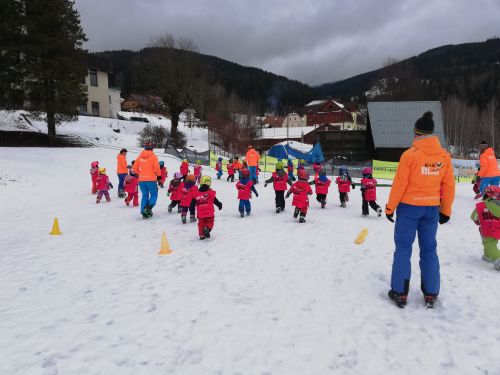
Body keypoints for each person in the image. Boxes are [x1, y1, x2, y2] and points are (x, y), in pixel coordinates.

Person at [386, 111, 455, 308]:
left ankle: (400, 291)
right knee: (429, 249)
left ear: (416, 133)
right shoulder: (444, 156)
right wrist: (446, 210)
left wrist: (390, 207)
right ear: (432, 134)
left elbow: (400, 184)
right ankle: (431, 292)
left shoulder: (410, 155)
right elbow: (449, 185)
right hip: (431, 209)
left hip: (409, 208)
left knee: (403, 248)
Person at [470, 186, 500, 271]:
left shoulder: (481, 205)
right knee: (491, 242)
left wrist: (477, 221)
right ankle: (487, 256)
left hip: (487, 228)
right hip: (498, 228)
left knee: (489, 244)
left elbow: (474, 217)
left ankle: (497, 258)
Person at [132, 142, 161, 219]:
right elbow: (157, 168)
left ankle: (143, 211)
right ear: (152, 148)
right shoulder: (153, 157)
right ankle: (148, 208)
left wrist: (140, 174)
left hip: (141, 180)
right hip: (151, 179)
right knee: (154, 194)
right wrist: (159, 176)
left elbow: (134, 168)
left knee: (145, 195)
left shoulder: (140, 157)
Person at [194, 175, 223, 240]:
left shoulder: (196, 193)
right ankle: (207, 228)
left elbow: (193, 202)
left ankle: (201, 235)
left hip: (200, 213)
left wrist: (192, 211)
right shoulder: (210, 192)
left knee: (201, 223)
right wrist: (219, 205)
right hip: (209, 212)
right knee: (210, 222)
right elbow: (215, 200)